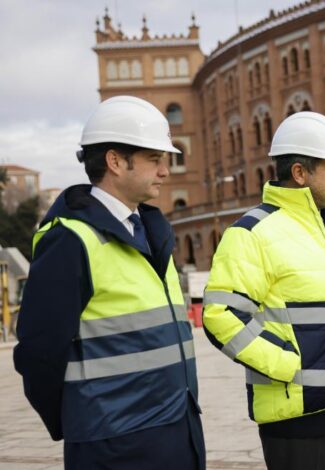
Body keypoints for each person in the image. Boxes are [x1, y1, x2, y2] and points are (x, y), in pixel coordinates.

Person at [13, 96, 205, 470]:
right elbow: (38, 354)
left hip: (177, 431)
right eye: (154, 159)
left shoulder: (152, 232)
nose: (166, 171)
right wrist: (85, 421)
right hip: (114, 446)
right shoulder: (69, 240)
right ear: (116, 161)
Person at [202, 111, 325, 470]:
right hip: (296, 415)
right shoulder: (253, 232)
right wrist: (289, 365)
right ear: (300, 173)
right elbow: (221, 316)